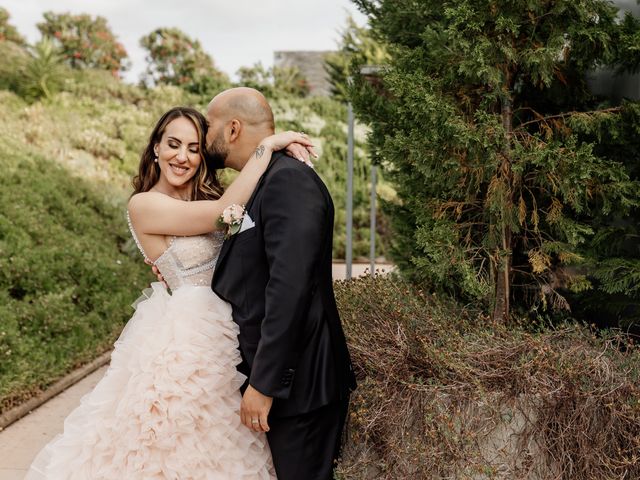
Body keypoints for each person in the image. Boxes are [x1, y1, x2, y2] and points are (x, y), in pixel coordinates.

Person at [25, 106, 313, 479]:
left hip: (229, 330)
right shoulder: (143, 205)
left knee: (219, 441)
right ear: (156, 148)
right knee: (170, 436)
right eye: (173, 144)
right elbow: (224, 212)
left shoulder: (208, 195)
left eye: (194, 148)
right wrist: (268, 146)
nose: (183, 156)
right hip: (185, 337)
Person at [206, 87, 357, 480]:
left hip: (299, 390)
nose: (205, 137)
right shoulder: (260, 182)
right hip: (279, 390)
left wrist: (265, 384)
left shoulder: (289, 182)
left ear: (233, 128)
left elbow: (289, 289)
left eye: (209, 127)